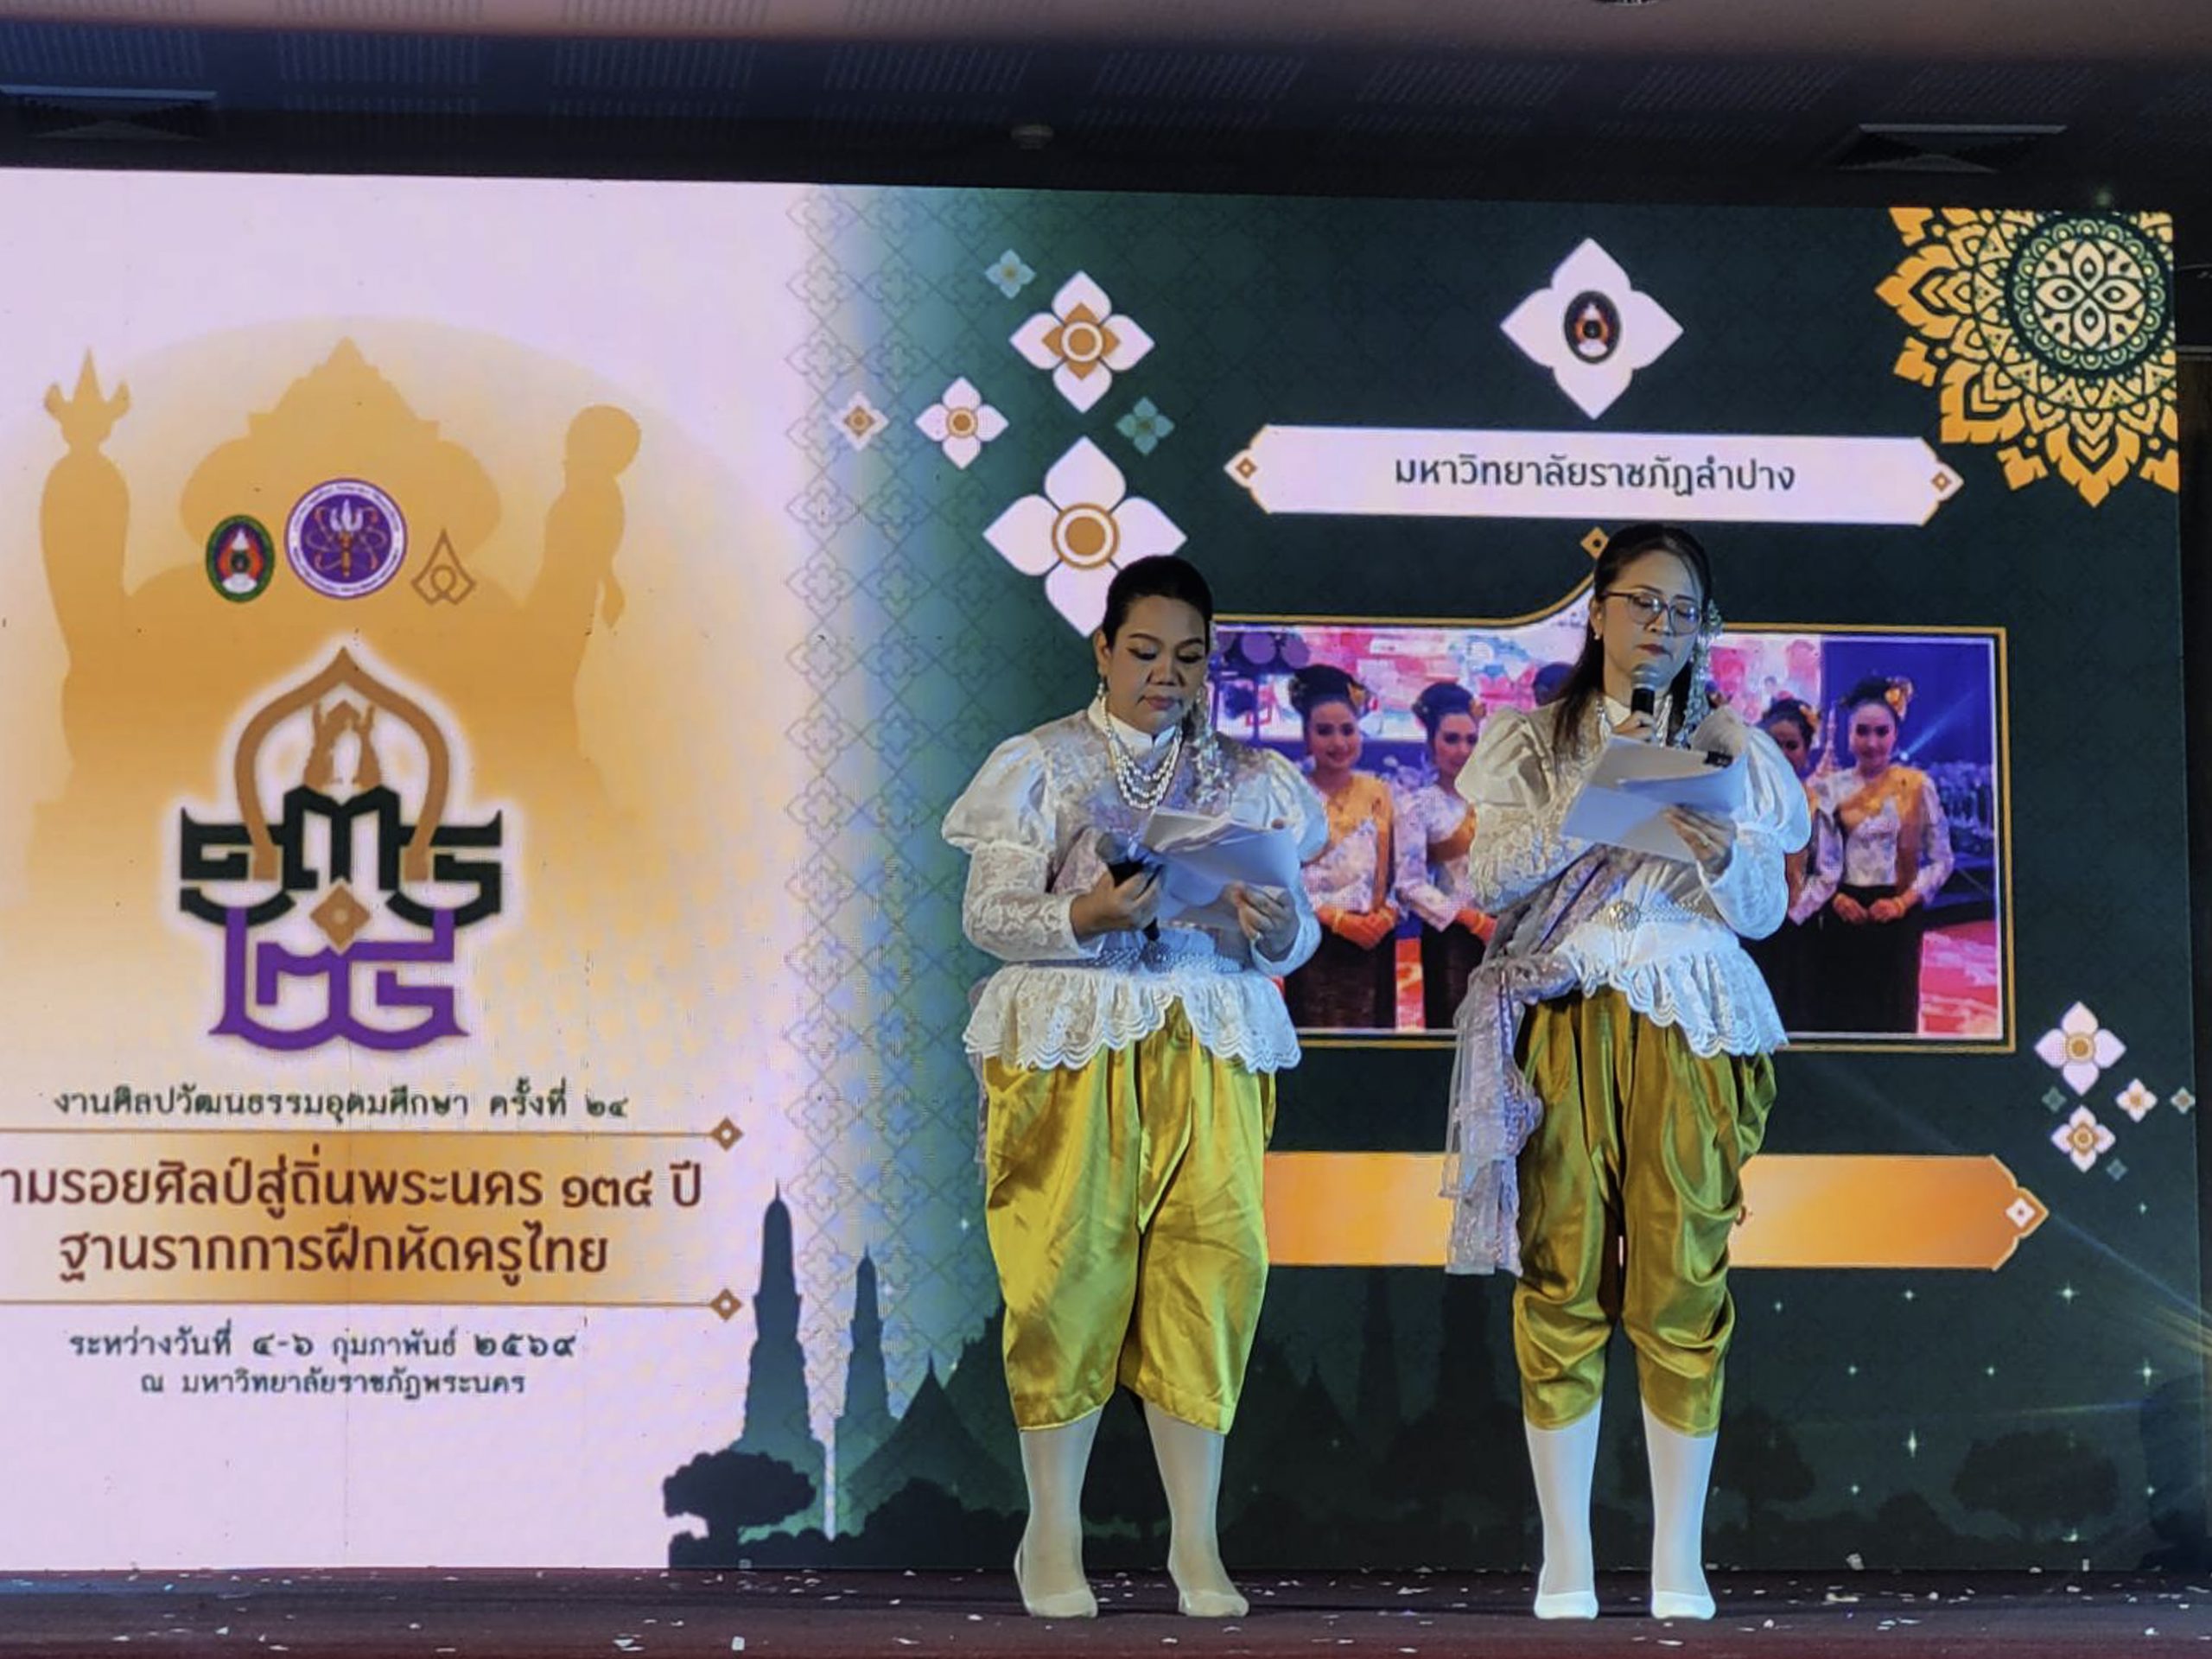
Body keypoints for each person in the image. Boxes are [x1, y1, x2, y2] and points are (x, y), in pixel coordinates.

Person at [941, 555, 1325, 1621]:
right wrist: (1088, 916)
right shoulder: (1041, 764)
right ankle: (1052, 1536)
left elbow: (1293, 934)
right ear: (1102, 650)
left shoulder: (1253, 780)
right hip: (1076, 1039)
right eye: (1145, 652)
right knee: (1065, 1271)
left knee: (1211, 1270)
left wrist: (1274, 927)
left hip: (1206, 1036)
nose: (1167, 675)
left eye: (1188, 658)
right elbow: (987, 915)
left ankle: (1195, 1543)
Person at [1445, 523, 1808, 1622]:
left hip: (1690, 1017)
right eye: (1641, 602)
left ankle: (1676, 1561)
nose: (1660, 625)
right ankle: (1565, 1558)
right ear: (1596, 610)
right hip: (1562, 1009)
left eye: (1682, 610)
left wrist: (1721, 851)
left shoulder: (1732, 746)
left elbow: (1764, 912)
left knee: (1680, 1282)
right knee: (1558, 1276)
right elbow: (1490, 879)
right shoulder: (1533, 740)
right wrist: (1596, 799)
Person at [1794, 677, 1954, 1034]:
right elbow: (1810, 861)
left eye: (1882, 732)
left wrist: (1901, 903)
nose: (1871, 742)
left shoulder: (1917, 785)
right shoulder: (1828, 788)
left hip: (1897, 914)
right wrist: (1835, 899)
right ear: (1848, 734)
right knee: (1838, 1012)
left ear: (1895, 734)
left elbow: (1942, 859)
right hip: (1841, 911)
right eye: (1862, 731)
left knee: (1892, 1014)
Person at [1281, 664, 1397, 1029]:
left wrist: (1386, 917)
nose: (1338, 742)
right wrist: (1336, 919)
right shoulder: (1290, 794)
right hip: (1314, 940)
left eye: (1348, 730)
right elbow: (1278, 880)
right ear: (1306, 736)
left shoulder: (1378, 793)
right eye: (1324, 731)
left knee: (1371, 1043)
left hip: (1371, 940)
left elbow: (1397, 873)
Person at [1392, 681, 1497, 1028]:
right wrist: (1471, 920)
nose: (1462, 750)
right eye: (1451, 739)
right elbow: (1409, 884)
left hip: (1501, 933)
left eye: (1471, 740)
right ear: (1432, 743)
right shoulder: (1418, 806)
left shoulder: (1497, 803)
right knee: (1454, 1029)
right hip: (1451, 936)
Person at [1741, 696, 1825, 1033]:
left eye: (1792, 746)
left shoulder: (1816, 802)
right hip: (1750, 920)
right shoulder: (1741, 799)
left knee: (1794, 1007)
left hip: (1797, 924)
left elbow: (1829, 868)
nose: (1783, 753)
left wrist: (1794, 907)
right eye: (1774, 744)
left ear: (1805, 752)